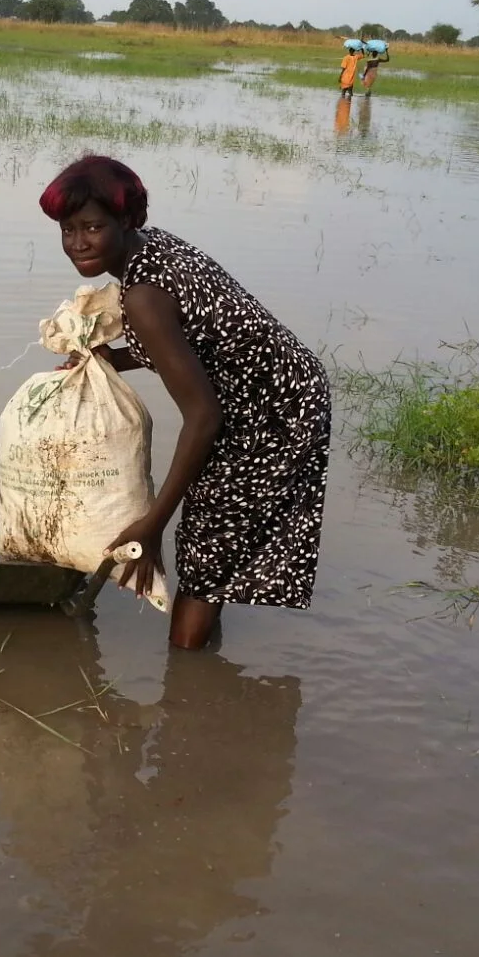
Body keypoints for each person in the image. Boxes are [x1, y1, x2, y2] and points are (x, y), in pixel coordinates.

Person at [41, 156, 331, 651]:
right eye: (68, 230)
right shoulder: (152, 250)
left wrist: (153, 522)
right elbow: (191, 338)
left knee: (204, 554)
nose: (78, 243)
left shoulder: (144, 295)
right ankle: (200, 674)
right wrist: (115, 357)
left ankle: (188, 676)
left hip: (272, 412)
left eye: (92, 227)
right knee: (209, 547)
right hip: (277, 389)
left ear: (127, 220)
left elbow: (203, 416)